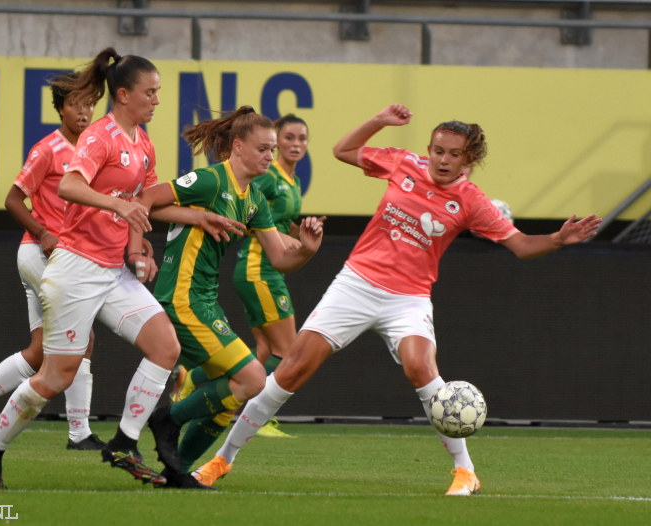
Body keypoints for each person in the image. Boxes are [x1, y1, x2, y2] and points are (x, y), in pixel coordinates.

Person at [195, 104, 601, 494]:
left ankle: (466, 472)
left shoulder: (472, 201)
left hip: (408, 298)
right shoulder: (405, 163)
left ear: (468, 159)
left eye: (453, 154)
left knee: (421, 369)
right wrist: (379, 120)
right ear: (428, 149)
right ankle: (223, 459)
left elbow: (521, 246)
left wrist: (559, 238)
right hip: (356, 284)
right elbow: (343, 151)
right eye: (437, 150)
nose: (442, 160)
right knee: (293, 369)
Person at [0, 49, 246, 490]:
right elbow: (73, 185)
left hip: (112, 270)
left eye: (158, 93)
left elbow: (147, 204)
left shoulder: (143, 142)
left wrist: (197, 218)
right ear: (123, 94)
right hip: (75, 269)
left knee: (165, 347)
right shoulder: (100, 136)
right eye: (149, 93)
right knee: (55, 376)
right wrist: (120, 205)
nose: (156, 101)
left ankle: (124, 442)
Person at [133, 106, 323, 486]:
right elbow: (144, 197)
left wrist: (306, 250)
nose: (270, 156)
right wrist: (138, 251)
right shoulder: (209, 181)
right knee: (253, 379)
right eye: (263, 149)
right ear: (237, 147)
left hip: (204, 301)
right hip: (182, 298)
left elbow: (279, 257)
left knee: (234, 393)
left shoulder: (252, 199)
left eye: (273, 150)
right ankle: (166, 418)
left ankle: (176, 473)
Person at [0, 72, 108, 451]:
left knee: (39, 352)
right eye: (75, 105)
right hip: (39, 254)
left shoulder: (91, 149)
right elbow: (13, 199)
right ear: (60, 108)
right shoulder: (47, 149)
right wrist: (43, 232)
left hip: (64, 257)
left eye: (88, 104)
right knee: (82, 336)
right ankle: (79, 433)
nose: (83, 112)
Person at [171, 114, 320, 440]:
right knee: (281, 354)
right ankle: (243, 411)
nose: (292, 146)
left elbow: (278, 241)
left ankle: (193, 396)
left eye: (302, 138)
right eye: (286, 139)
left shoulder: (275, 188)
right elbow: (144, 202)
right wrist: (202, 217)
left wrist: (303, 240)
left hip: (244, 278)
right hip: (248, 273)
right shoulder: (240, 178)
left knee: (259, 359)